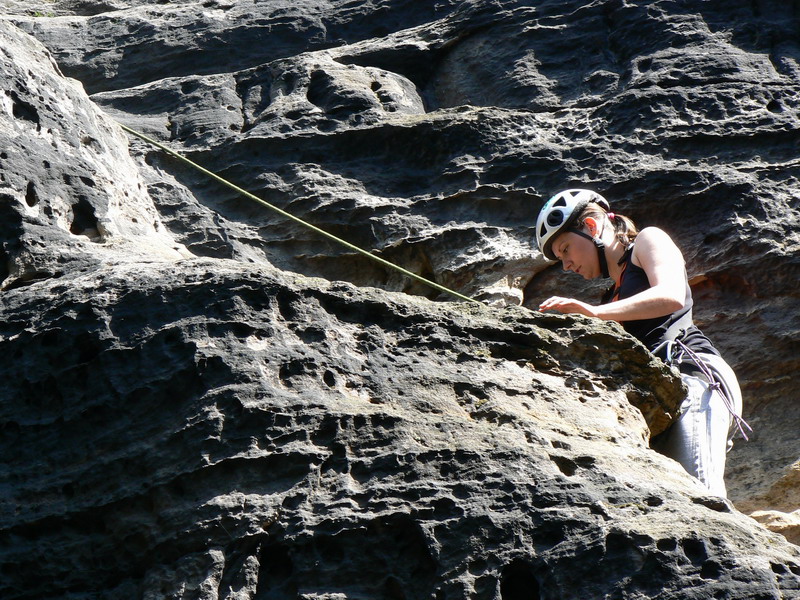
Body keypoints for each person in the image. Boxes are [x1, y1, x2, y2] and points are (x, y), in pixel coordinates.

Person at [535, 188, 749, 497]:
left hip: (694, 375)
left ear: (591, 227)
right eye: (559, 258)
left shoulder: (647, 241)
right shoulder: (610, 296)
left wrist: (595, 314)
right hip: (660, 392)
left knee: (702, 494)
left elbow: (672, 295)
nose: (566, 264)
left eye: (565, 249)